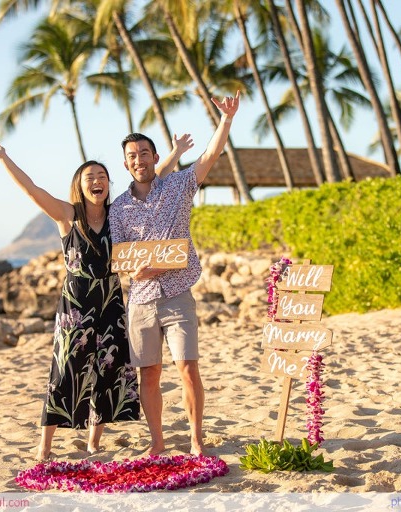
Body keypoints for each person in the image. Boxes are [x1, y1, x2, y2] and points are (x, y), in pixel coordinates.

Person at [0, 134, 193, 461]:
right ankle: (45, 444)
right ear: (79, 184)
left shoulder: (118, 213)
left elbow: (153, 175)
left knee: (106, 370)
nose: (97, 181)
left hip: (111, 300)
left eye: (103, 177)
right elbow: (31, 189)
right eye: (90, 177)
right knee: (65, 369)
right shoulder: (66, 215)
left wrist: (174, 152)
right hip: (76, 304)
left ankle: (93, 441)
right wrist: (4, 157)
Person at [109, 91, 240, 456]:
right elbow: (120, 259)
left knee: (187, 367)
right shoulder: (118, 208)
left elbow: (210, 156)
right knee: (148, 375)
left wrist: (226, 120)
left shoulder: (179, 187)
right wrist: (139, 269)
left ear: (154, 157)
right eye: (132, 157)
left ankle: (197, 440)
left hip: (178, 293)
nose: (139, 160)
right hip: (141, 301)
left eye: (144, 154)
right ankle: (157, 442)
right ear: (126, 165)